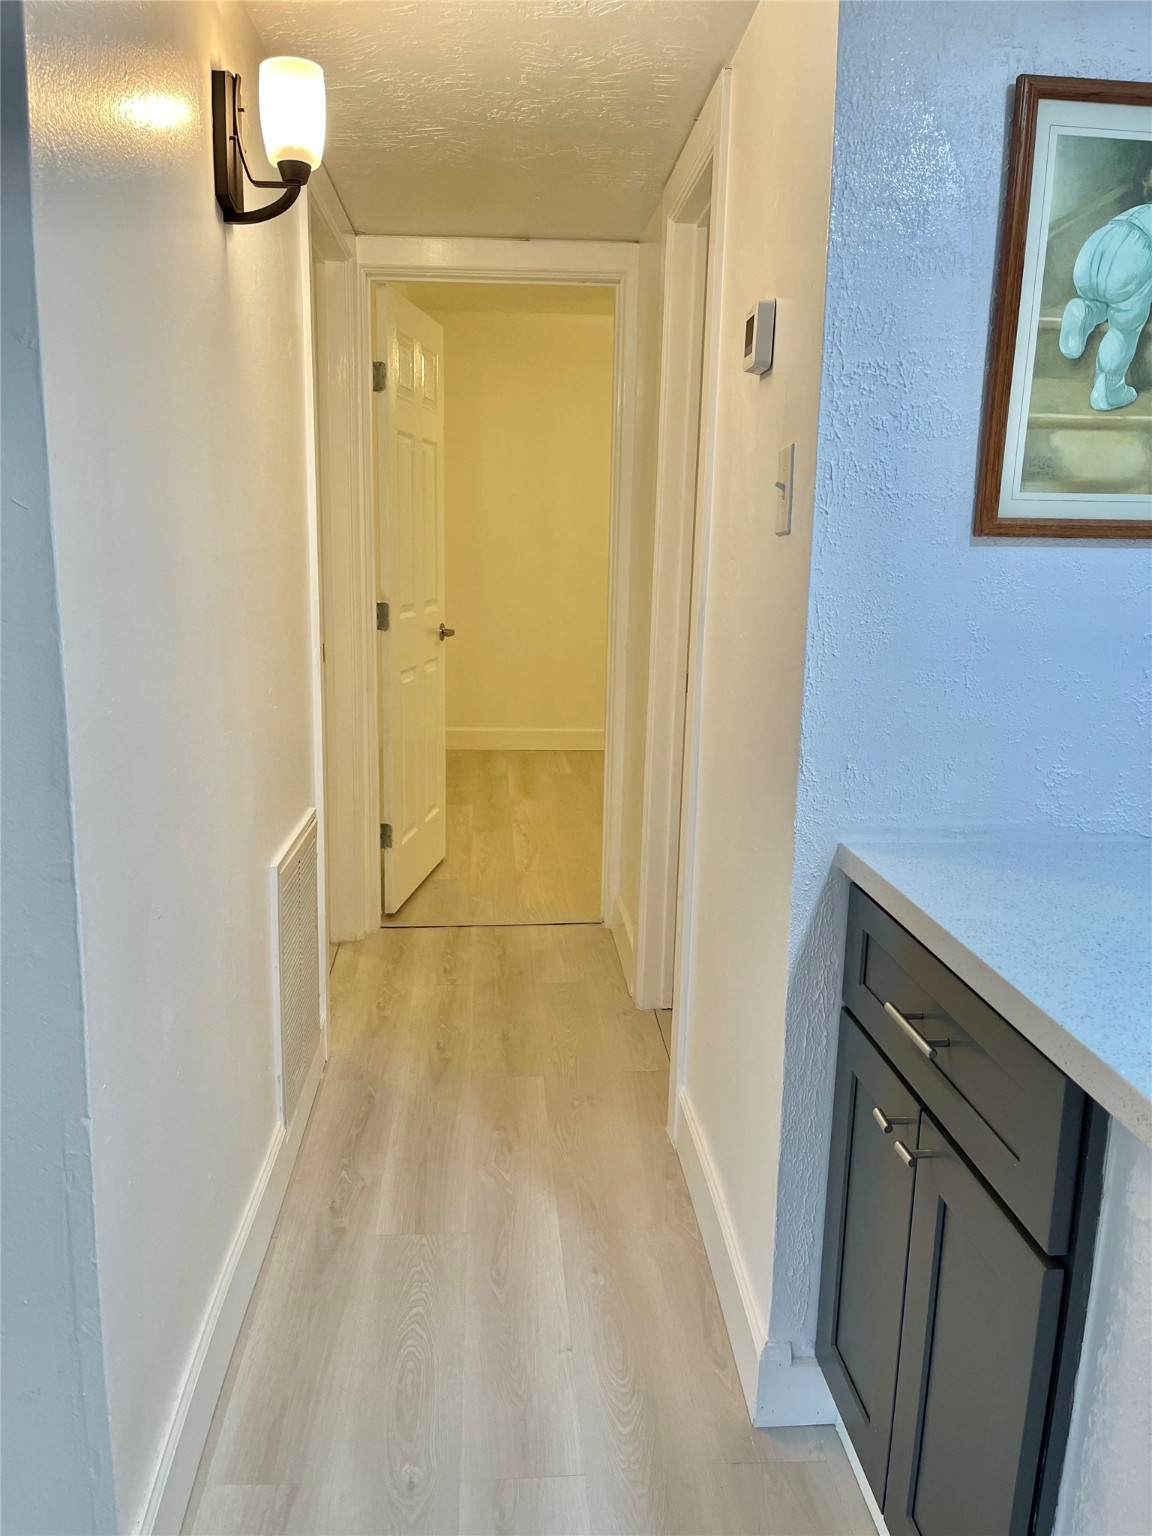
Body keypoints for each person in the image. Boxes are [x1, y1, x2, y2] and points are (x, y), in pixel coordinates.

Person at [1059, 191, 1152, 411]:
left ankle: (1083, 309)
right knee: (1123, 328)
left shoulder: (1137, 211)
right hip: (1131, 259)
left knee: (1100, 297)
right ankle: (1108, 390)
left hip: (1094, 250)